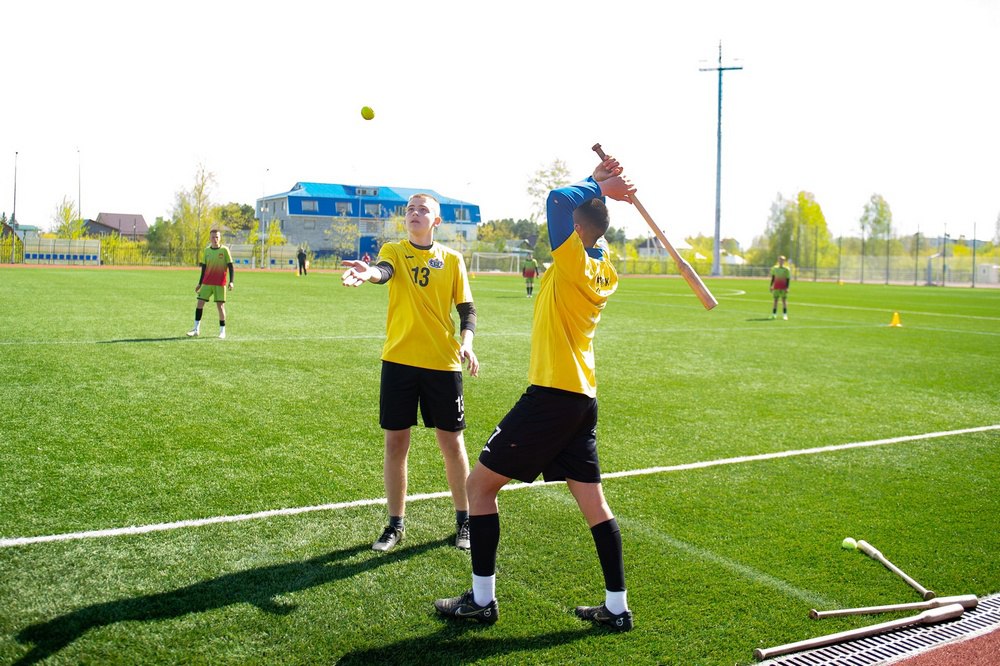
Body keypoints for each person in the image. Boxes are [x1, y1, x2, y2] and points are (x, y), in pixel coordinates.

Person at [434, 155, 637, 631]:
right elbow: (583, 216)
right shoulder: (605, 264)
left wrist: (597, 186)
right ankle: (617, 607)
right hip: (582, 397)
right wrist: (601, 183)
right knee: (594, 504)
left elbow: (557, 200)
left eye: (572, 227)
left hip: (552, 395)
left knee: (479, 487)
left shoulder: (573, 261)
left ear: (578, 231)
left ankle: (481, 600)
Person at [341, 193, 479, 552]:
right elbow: (383, 272)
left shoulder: (452, 259)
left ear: (436, 221)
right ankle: (395, 525)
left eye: (423, 210)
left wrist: (467, 343)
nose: (414, 214)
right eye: (410, 210)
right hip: (399, 361)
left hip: (442, 364)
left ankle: (465, 521)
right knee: (395, 443)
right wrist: (368, 272)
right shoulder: (394, 250)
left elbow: (467, 310)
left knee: (452, 444)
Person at [187, 229, 234, 339]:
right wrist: (200, 283)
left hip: (220, 284)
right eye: (213, 237)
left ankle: (222, 331)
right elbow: (204, 269)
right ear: (210, 238)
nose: (215, 239)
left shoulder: (225, 250)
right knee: (199, 304)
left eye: (217, 237)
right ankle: (196, 329)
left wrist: (231, 281)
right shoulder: (207, 251)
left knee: (220, 307)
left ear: (220, 238)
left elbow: (231, 267)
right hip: (207, 283)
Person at [769, 255, 791, 320]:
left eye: (782, 260)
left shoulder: (786, 269)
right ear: (778, 260)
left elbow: (788, 279)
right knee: (775, 301)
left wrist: (787, 287)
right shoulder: (774, 268)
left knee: (784, 301)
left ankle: (785, 315)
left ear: (784, 261)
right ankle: (774, 314)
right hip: (776, 286)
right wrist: (771, 286)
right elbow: (773, 277)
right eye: (780, 260)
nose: (781, 261)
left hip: (783, 287)